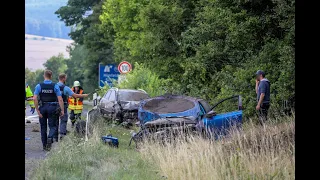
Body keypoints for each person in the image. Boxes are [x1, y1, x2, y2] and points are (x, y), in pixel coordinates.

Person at [33, 70, 64, 151]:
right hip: (52, 107)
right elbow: (60, 99)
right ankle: (50, 137)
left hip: (42, 107)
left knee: (43, 127)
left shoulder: (39, 86)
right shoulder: (55, 86)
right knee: (53, 126)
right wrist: (62, 110)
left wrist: (38, 110)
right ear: (51, 76)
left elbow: (35, 98)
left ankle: (44, 145)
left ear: (44, 76)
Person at [57, 74, 89, 139]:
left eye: (77, 87)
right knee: (65, 119)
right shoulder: (67, 88)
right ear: (63, 79)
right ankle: (61, 133)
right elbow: (73, 96)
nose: (76, 88)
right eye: (75, 87)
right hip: (69, 107)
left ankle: (57, 134)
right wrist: (84, 95)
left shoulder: (55, 86)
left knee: (59, 120)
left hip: (77, 108)